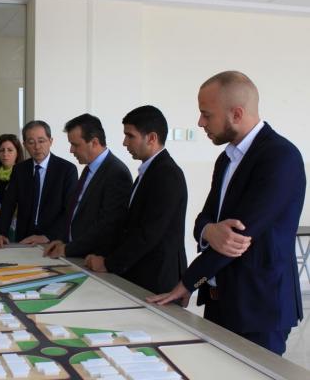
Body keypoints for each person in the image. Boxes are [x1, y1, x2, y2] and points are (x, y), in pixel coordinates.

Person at [148, 71, 305, 355]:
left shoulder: (280, 157)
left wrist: (187, 282)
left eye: (206, 115)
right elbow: (203, 220)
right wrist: (209, 230)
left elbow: (237, 238)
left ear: (237, 113)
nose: (200, 122)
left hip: (258, 307)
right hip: (220, 300)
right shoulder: (226, 158)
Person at [85, 106, 188, 294]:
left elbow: (148, 233)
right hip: (140, 273)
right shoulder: (149, 171)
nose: (124, 142)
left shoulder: (167, 174)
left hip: (156, 279)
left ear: (152, 138)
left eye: (130, 136)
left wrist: (108, 263)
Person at [42, 114, 132, 259]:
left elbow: (107, 226)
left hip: (93, 259)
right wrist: (62, 240)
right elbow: (75, 212)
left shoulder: (116, 173)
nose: (71, 150)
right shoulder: (89, 168)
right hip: (74, 253)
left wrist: (68, 249)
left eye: (76, 145)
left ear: (94, 142)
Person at [0, 120, 78, 248]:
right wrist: (1, 233)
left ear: (51, 141)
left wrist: (48, 236)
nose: (37, 147)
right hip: (24, 239)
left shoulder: (67, 170)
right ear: (25, 145)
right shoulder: (19, 170)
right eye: (31, 142)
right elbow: (8, 204)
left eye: (41, 141)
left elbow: (70, 210)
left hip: (53, 241)